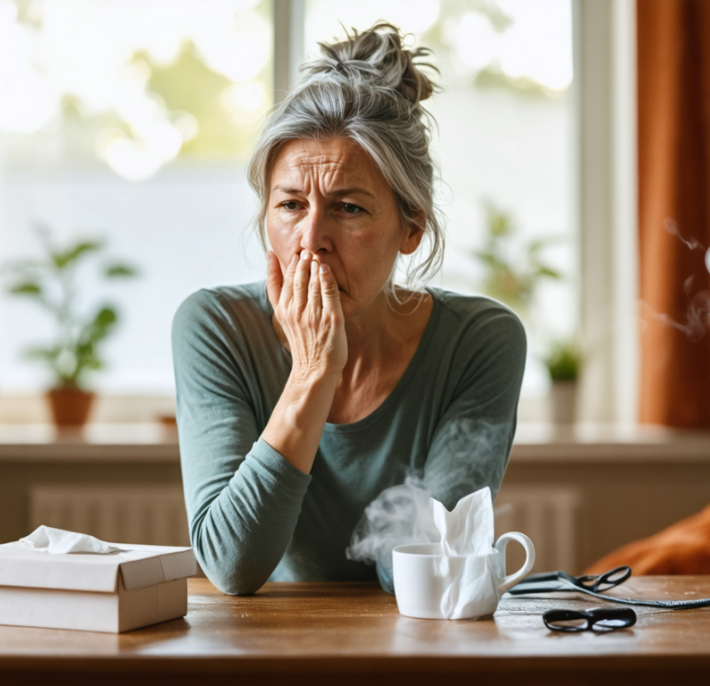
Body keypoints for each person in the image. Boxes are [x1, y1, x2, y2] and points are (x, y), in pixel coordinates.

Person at [171, 22, 526, 595]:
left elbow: (432, 571)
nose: (311, 239)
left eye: (350, 208)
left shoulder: (481, 342)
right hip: (265, 652)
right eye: (290, 204)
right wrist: (313, 374)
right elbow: (231, 566)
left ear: (411, 227)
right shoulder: (215, 328)